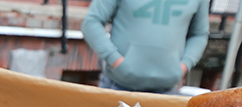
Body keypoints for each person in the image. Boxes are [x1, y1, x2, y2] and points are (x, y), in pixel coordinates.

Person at [81, 0, 210, 94]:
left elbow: (199, 34)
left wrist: (183, 66)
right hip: (118, 87)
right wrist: (115, 59)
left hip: (166, 92)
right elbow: (92, 22)